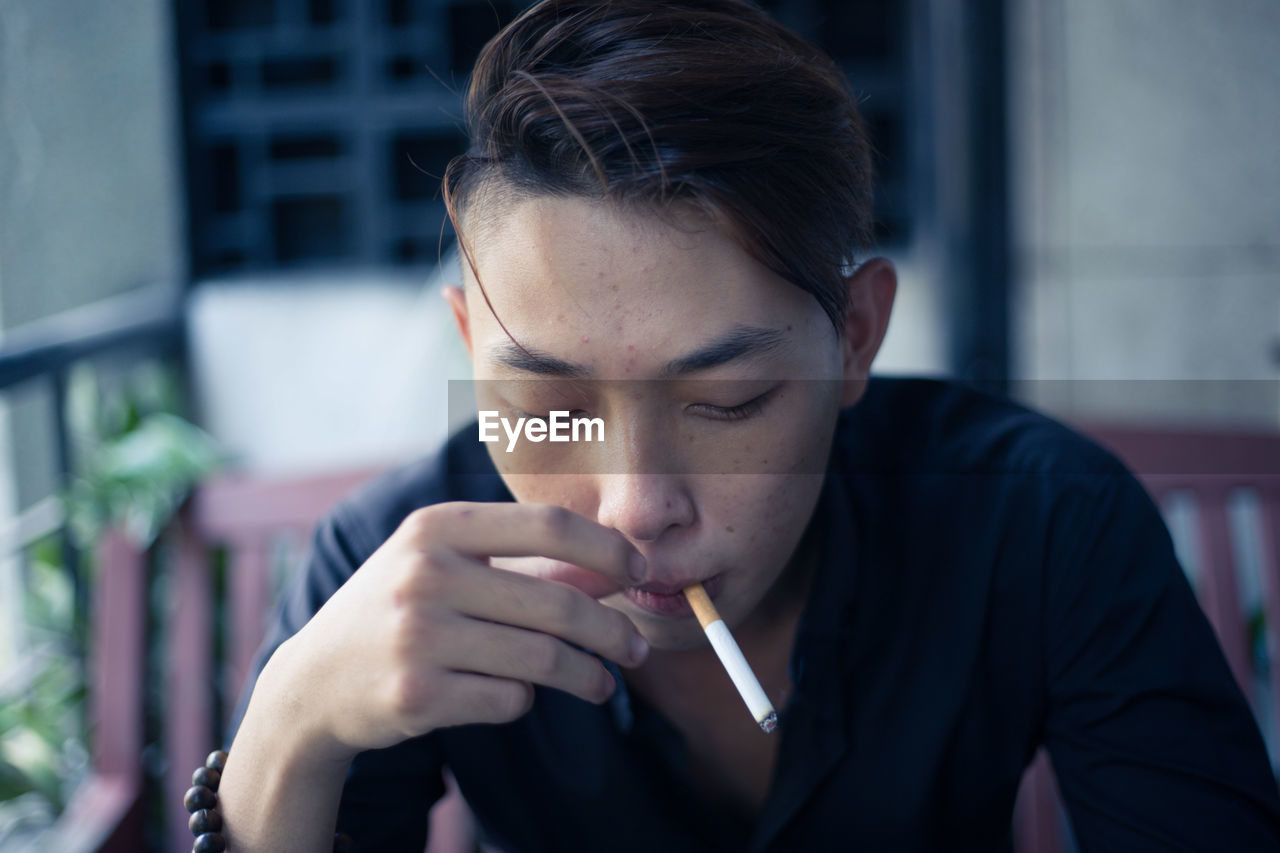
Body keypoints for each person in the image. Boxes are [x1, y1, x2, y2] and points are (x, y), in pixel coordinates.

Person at [212, 1, 1280, 850]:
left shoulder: (1040, 523)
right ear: (467, 342)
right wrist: (291, 726)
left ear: (855, 338)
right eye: (546, 406)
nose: (636, 506)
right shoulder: (385, 564)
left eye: (725, 403)